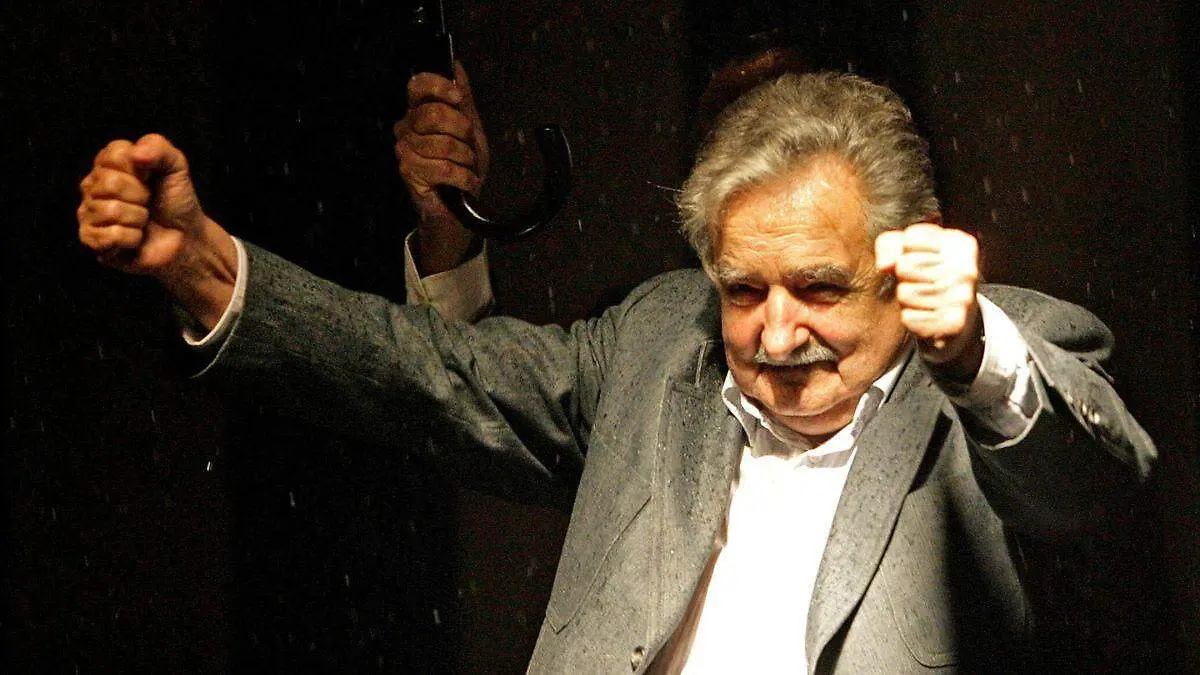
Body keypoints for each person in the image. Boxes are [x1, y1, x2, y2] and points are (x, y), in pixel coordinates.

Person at [76, 72, 1155, 672]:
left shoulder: (996, 347)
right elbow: (436, 374)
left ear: (903, 258)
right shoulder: (657, 339)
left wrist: (969, 353)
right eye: (744, 289)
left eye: (819, 288)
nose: (777, 332)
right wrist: (204, 266)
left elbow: (1090, 486)